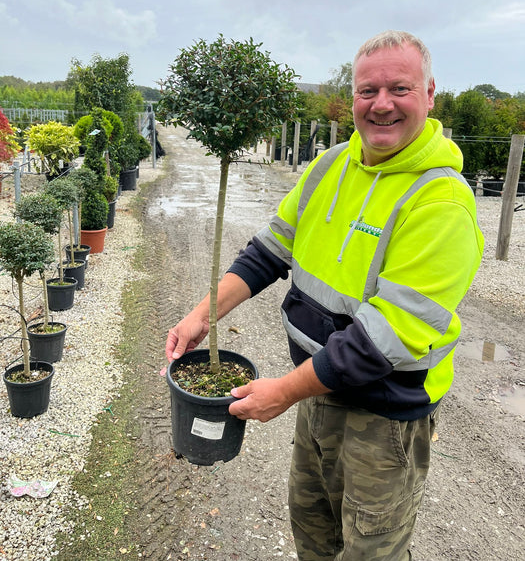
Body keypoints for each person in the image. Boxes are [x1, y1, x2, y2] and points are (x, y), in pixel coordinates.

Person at [165, 30, 484, 560]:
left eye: (399, 89)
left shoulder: (442, 201)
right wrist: (204, 315)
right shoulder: (329, 165)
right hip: (319, 393)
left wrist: (283, 392)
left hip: (382, 419)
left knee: (369, 551)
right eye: (367, 91)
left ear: (430, 96)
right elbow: (269, 251)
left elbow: (382, 342)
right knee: (312, 534)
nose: (380, 104)